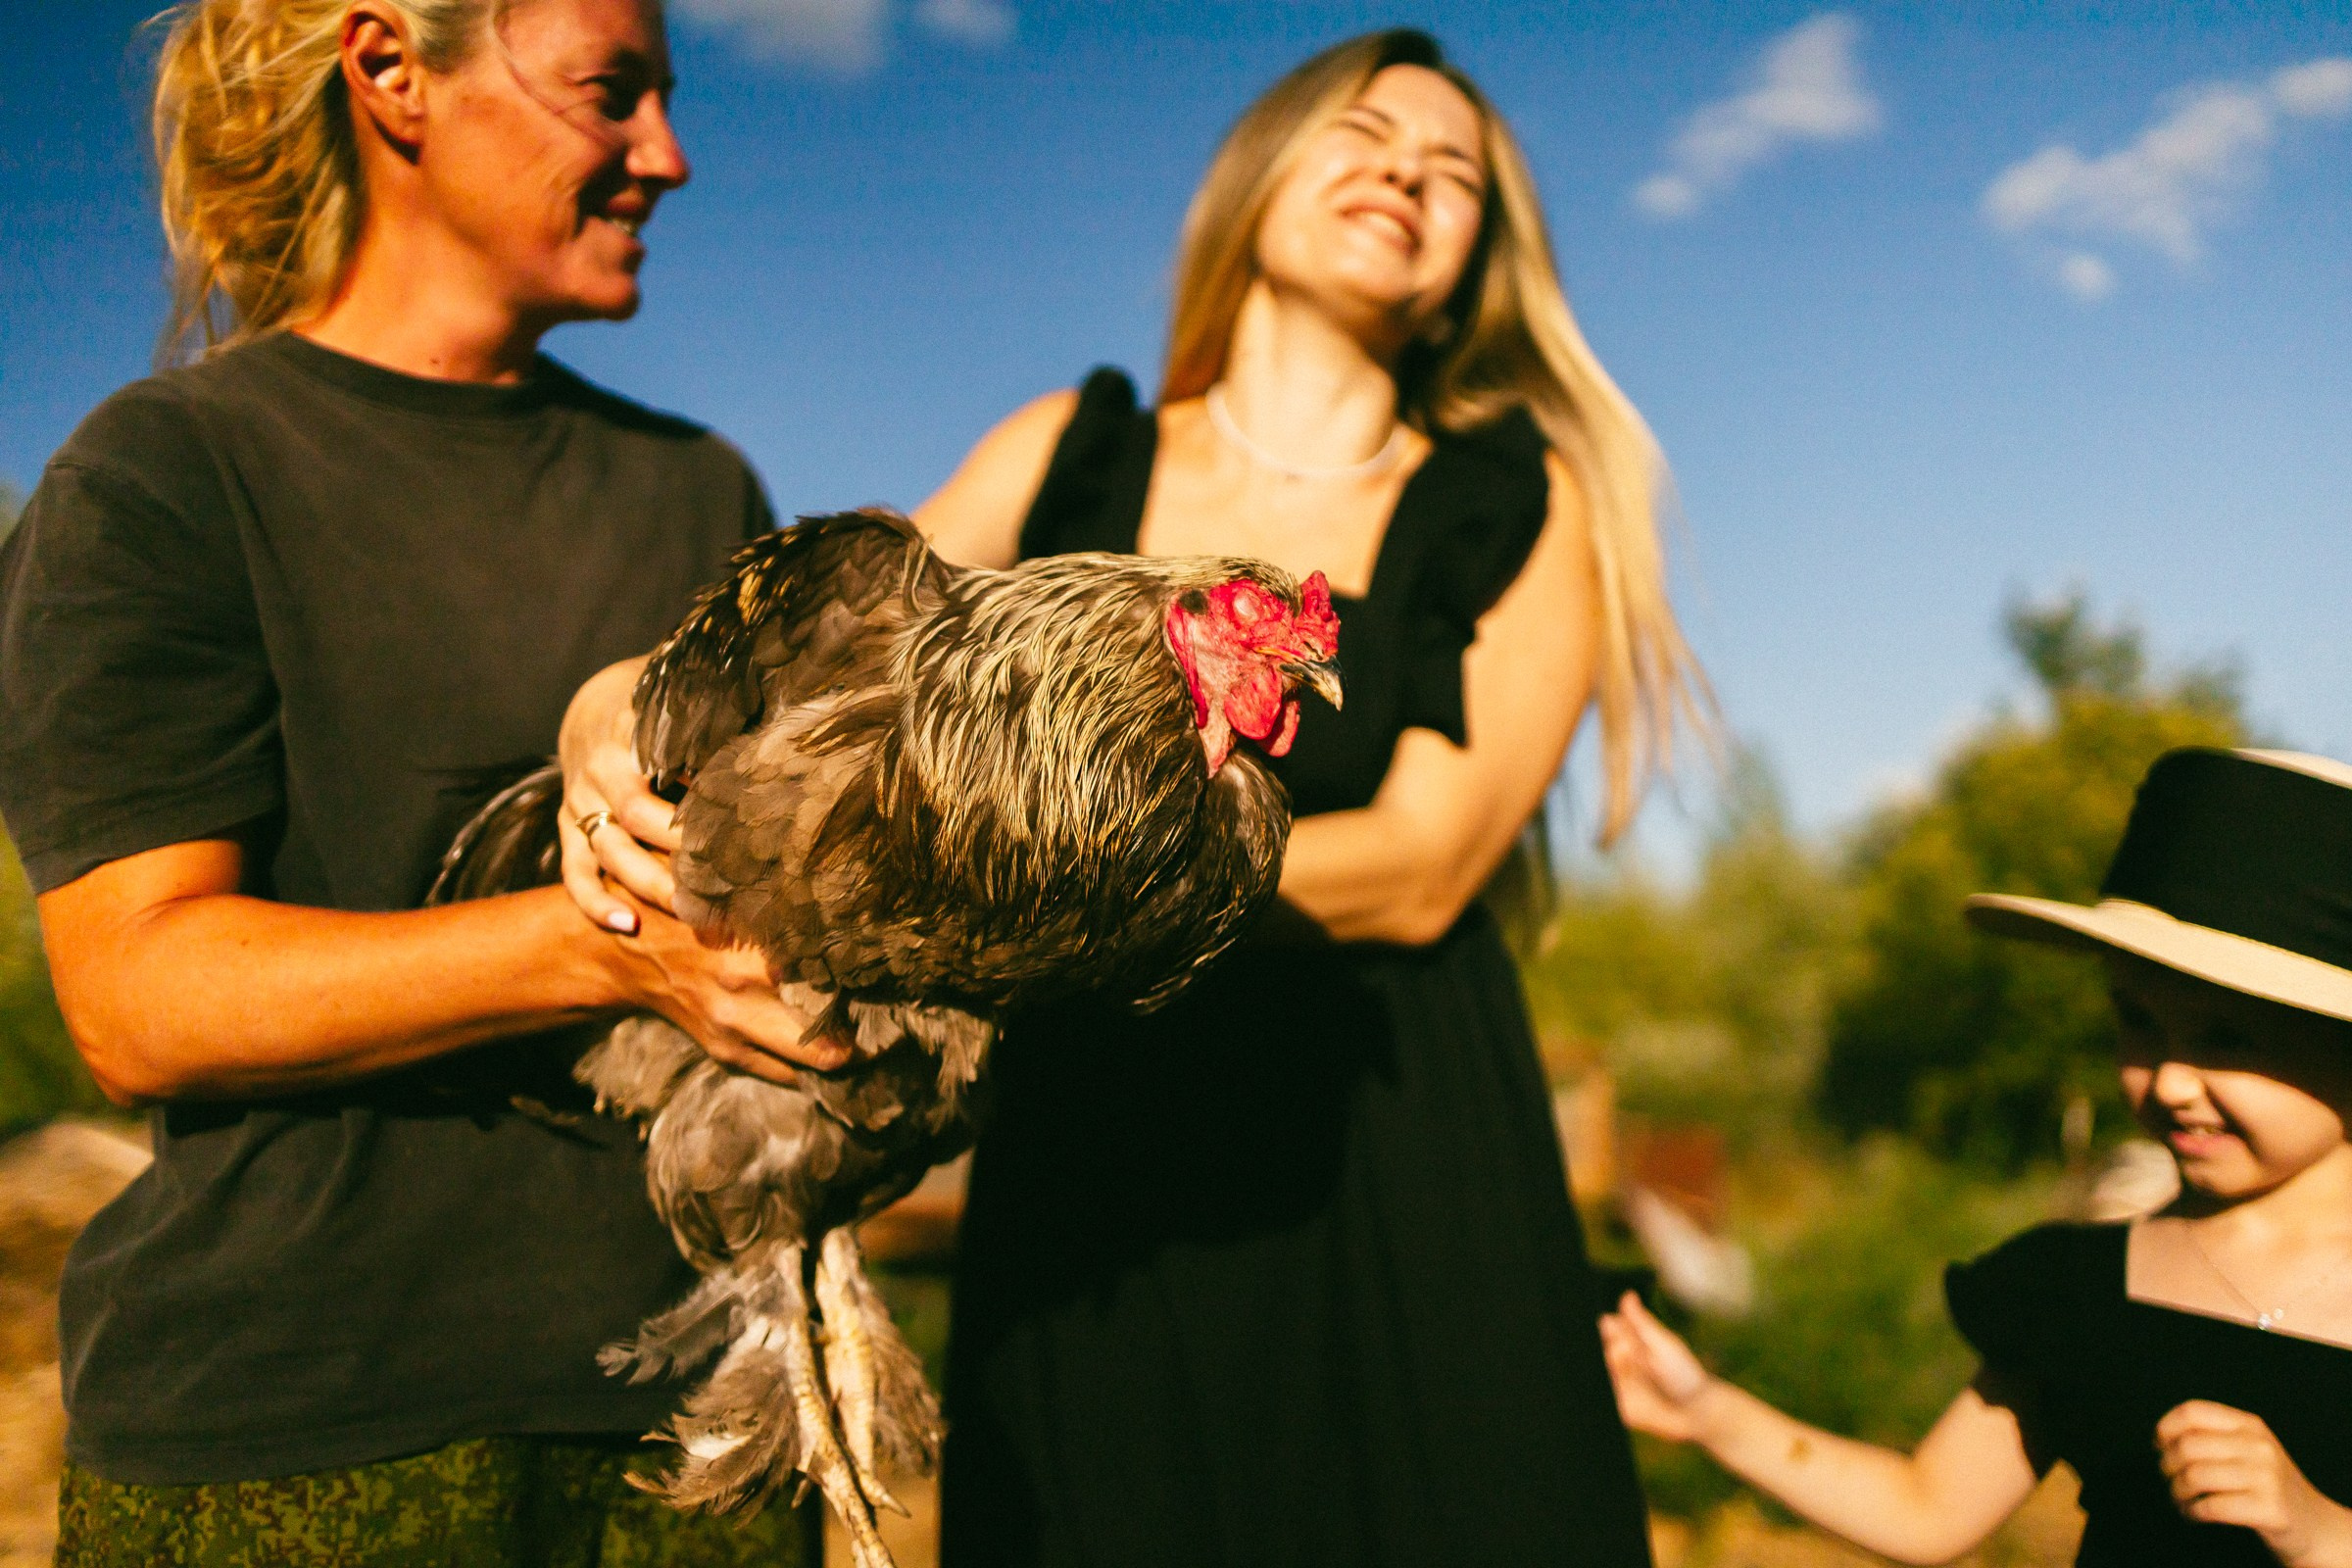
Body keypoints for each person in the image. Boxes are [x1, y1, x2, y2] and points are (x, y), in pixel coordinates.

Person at [0, 0, 846, 1561]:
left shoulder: (701, 490)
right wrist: (608, 950)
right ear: (394, 71)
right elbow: (136, 998)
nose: (667, 154)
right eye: (614, 93)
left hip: (699, 1431)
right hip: (298, 1435)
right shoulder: (169, 472)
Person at [906, 27, 1704, 1565]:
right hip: (1096, 1185)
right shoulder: (1068, 455)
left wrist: (1041, 894)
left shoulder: (1516, 501)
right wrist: (621, 705)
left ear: (1478, 259)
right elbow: (836, 659)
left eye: (1454, 170)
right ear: (1257, 177)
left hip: (1394, 1174)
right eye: (1362, 132)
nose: (1404, 170)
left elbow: (1420, 861)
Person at [1603, 747, 2352, 1568]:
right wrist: (1708, 1411)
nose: (2171, 1079)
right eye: (2138, 1023)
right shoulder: (2076, 1289)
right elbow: (1927, 1510)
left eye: (2227, 1038)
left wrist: (2319, 1532)